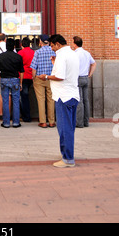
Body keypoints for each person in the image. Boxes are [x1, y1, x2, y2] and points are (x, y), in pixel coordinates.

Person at [39, 34, 80, 168]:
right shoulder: (72, 53)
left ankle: (68, 158)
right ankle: (68, 154)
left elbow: (60, 76)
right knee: (70, 127)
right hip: (73, 94)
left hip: (63, 96)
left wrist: (45, 76)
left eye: (52, 46)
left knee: (64, 128)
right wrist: (54, 63)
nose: (52, 49)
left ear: (57, 44)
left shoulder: (62, 55)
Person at [0, 38, 24, 128]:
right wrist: (21, 83)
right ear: (14, 46)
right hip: (15, 79)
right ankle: (16, 122)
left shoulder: (0, 56)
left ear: (6, 46)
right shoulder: (18, 57)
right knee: (16, 101)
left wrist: (1, 78)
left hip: (4, 79)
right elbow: (22, 71)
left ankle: (6, 122)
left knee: (5, 100)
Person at [30, 35, 56, 128]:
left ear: (40, 42)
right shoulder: (54, 51)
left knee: (41, 100)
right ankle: (52, 121)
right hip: (51, 78)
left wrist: (34, 78)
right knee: (51, 100)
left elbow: (33, 67)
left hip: (40, 78)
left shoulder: (38, 52)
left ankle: (43, 121)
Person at [72, 36, 96, 128]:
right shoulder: (87, 53)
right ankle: (86, 121)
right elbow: (94, 63)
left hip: (77, 78)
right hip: (85, 77)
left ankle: (79, 122)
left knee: (79, 101)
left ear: (75, 44)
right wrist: (90, 74)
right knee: (86, 100)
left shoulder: (75, 54)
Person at [18, 37, 35, 122]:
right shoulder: (33, 52)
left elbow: (18, 65)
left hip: (23, 76)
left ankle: (26, 116)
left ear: (22, 44)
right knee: (26, 96)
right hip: (31, 76)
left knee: (23, 97)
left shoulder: (20, 52)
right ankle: (27, 115)